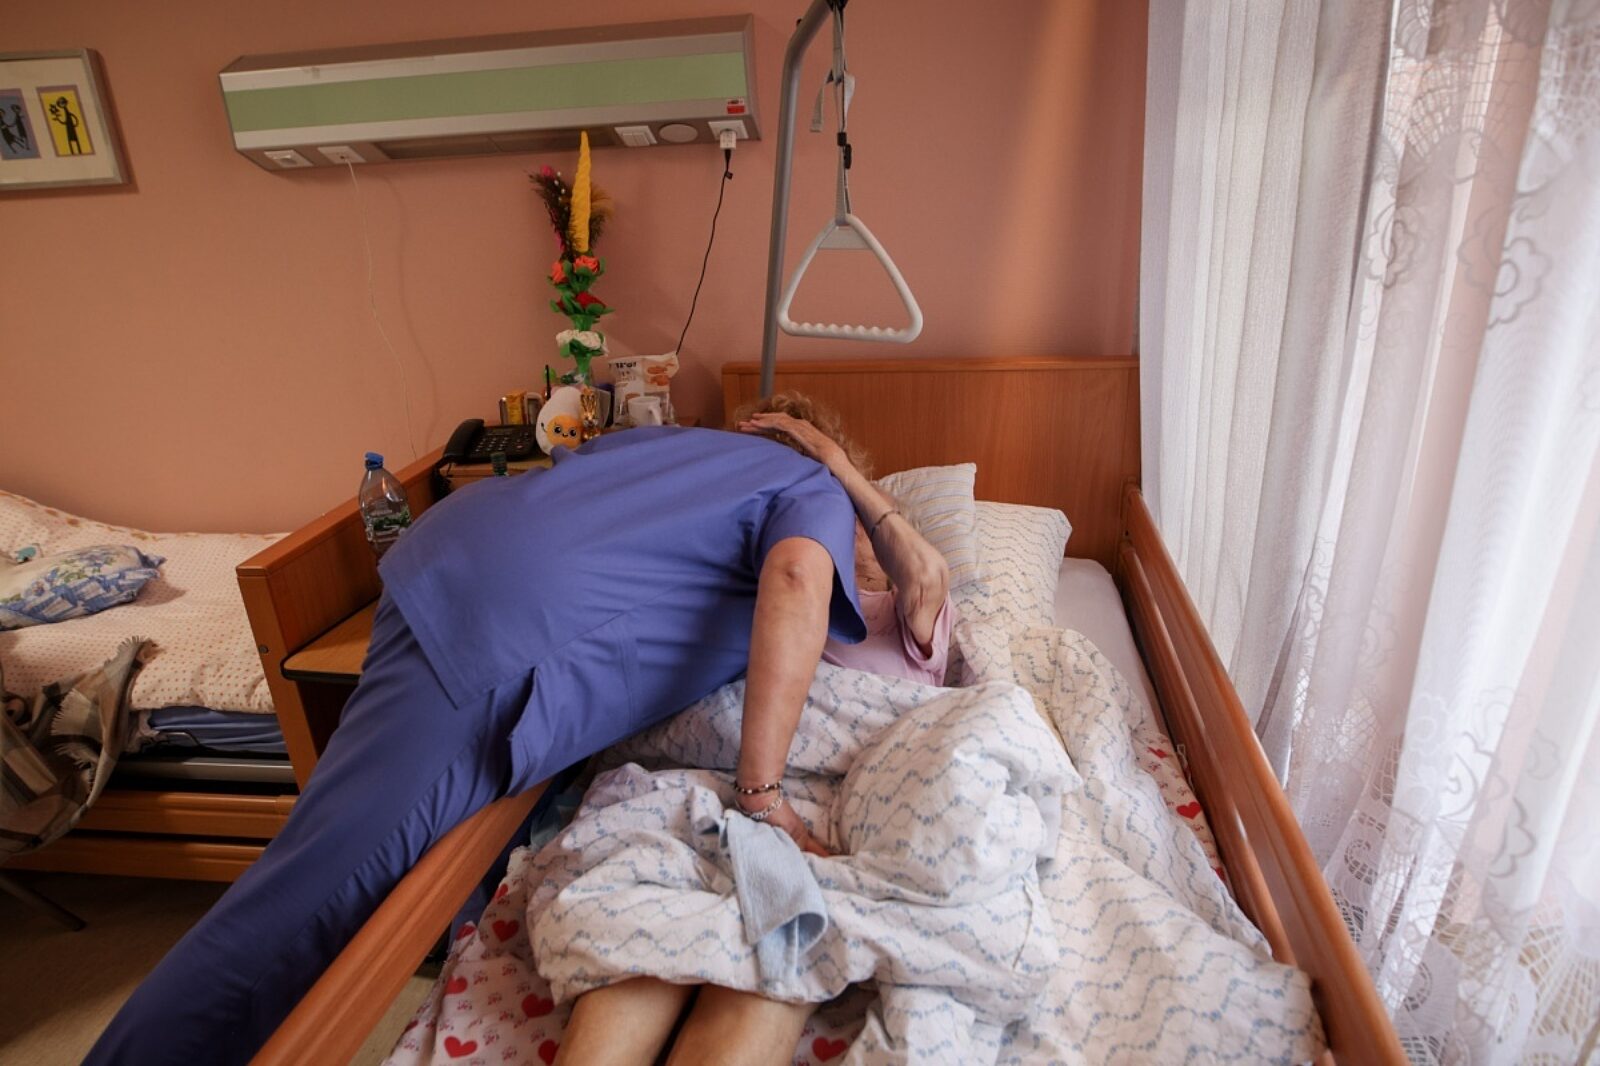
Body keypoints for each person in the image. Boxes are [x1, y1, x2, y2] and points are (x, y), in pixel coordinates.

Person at [86, 416, 869, 1065]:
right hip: (506, 622)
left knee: (350, 872)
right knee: (308, 904)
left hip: (450, 557)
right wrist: (761, 793)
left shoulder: (688, 448)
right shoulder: (813, 487)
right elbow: (799, 578)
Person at [554, 394, 953, 1066]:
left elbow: (926, 570)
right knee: (639, 933)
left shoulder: (903, 613)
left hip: (820, 805)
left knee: (775, 949)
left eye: (838, 511)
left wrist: (836, 471)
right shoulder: (746, 599)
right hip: (700, 788)